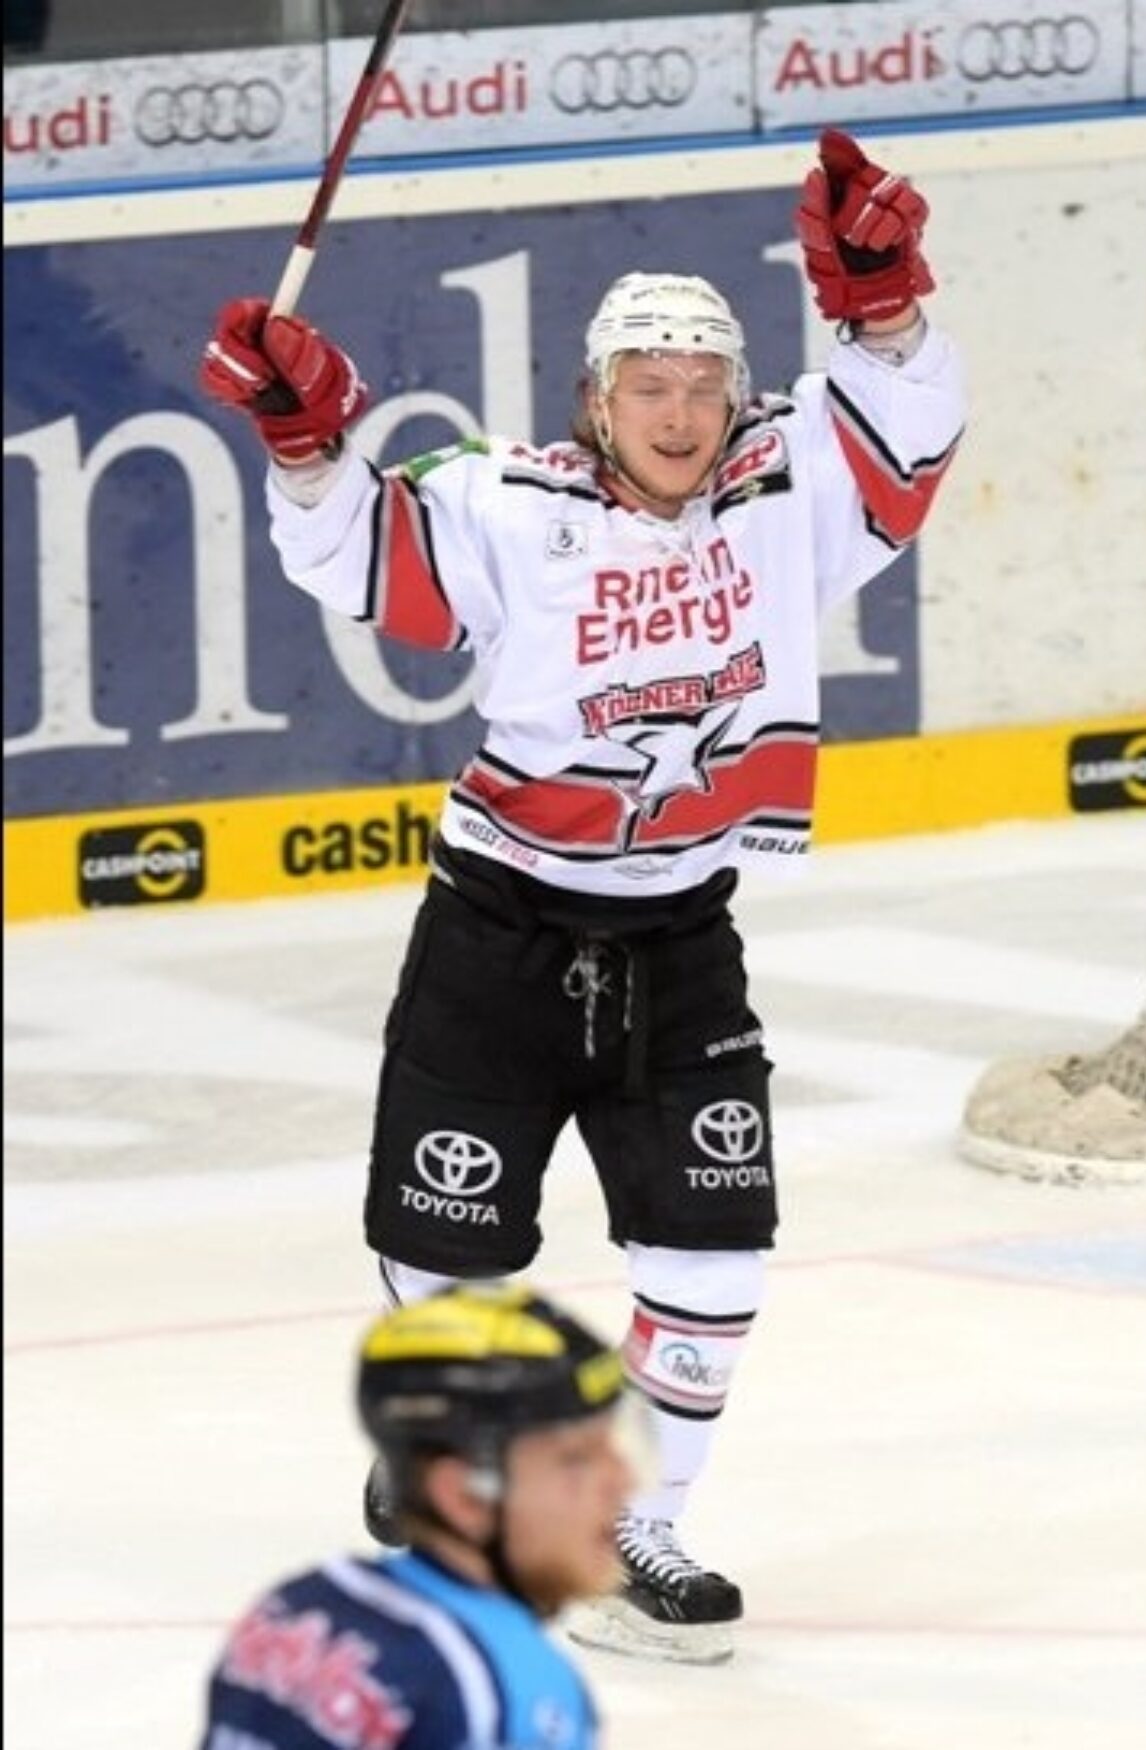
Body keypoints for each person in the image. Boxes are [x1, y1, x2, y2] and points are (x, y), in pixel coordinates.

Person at [198, 128, 964, 1662]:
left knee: (715, 1251)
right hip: (501, 928)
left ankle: (636, 1525)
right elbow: (361, 558)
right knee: (459, 1254)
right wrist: (305, 444)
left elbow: (905, 429)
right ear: (594, 402)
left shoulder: (785, 491)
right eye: (647, 388)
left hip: (681, 932)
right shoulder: (508, 503)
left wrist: (885, 307)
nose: (679, 415)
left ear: (737, 397)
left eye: (704, 387)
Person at [198, 1282, 634, 1749]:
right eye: (576, 1460)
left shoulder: (291, 1612)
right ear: (466, 1496)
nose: (623, 1481)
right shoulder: (508, 1688)